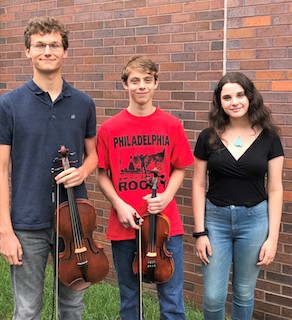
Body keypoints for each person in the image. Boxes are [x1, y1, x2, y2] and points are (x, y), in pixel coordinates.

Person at [0, 16, 97, 320]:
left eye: (54, 44)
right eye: (40, 44)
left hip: (74, 222)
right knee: (27, 310)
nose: (47, 50)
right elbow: (1, 169)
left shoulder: (83, 103)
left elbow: (93, 155)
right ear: (27, 51)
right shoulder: (9, 104)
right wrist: (5, 231)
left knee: (72, 307)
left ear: (65, 52)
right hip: (27, 222)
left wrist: (83, 172)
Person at [96, 55, 194, 319]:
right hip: (125, 225)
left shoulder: (172, 124)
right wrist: (119, 205)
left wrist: (166, 196)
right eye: (135, 81)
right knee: (130, 298)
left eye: (147, 80)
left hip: (165, 226)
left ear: (155, 84)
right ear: (124, 85)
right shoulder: (109, 128)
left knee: (172, 299)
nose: (141, 86)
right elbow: (102, 174)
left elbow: (181, 168)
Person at [192, 72, 284, 320]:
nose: (234, 102)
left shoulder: (270, 138)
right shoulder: (207, 137)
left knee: (243, 293)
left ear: (250, 97)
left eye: (240, 95)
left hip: (255, 222)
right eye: (227, 97)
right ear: (219, 103)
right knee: (213, 296)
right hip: (215, 221)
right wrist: (200, 232)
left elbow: (275, 189)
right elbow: (199, 185)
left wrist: (272, 238)